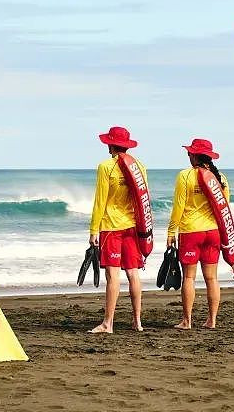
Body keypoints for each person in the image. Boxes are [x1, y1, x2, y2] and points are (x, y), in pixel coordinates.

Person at [88, 126, 148, 333]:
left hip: (111, 228)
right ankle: (137, 321)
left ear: (111, 144)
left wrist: (93, 230)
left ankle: (108, 323)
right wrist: (145, 231)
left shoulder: (106, 167)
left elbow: (100, 201)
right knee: (133, 274)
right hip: (132, 227)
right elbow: (143, 201)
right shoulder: (139, 166)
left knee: (113, 276)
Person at [166, 138, 230, 330]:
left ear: (194, 155)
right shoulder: (221, 178)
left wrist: (171, 232)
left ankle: (187, 321)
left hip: (191, 232)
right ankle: (212, 320)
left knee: (189, 278)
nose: (188, 155)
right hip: (213, 233)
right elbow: (225, 209)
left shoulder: (185, 176)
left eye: (190, 153)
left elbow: (179, 207)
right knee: (212, 278)